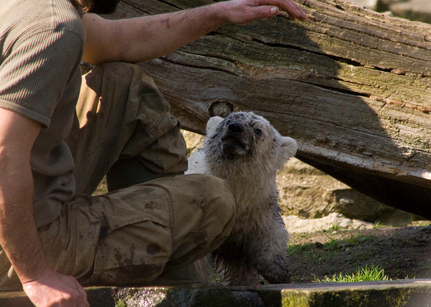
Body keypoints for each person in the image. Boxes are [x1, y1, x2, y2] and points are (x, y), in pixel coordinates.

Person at [0, 0, 306, 306]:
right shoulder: (54, 28)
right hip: (17, 244)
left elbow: (120, 40)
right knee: (211, 200)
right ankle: (183, 291)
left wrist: (219, 13)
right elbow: (3, 155)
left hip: (26, 198)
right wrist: (36, 275)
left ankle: (165, 259)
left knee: (124, 85)